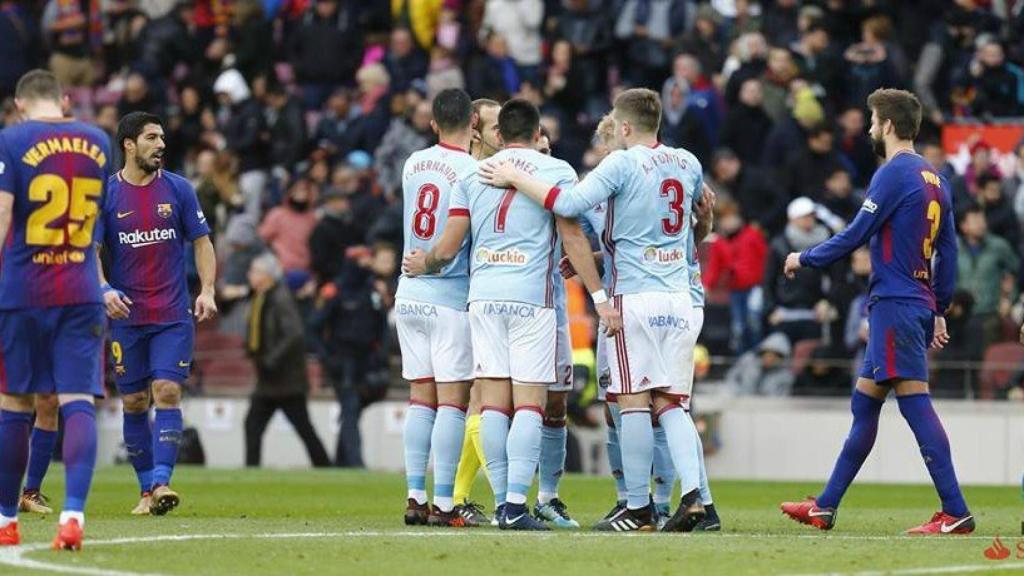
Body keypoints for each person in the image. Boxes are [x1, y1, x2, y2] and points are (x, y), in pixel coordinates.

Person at [480, 88, 707, 533]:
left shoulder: (620, 163)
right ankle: (699, 500)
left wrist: (514, 175)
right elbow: (695, 226)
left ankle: (638, 506)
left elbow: (565, 206)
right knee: (673, 405)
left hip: (635, 295)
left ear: (623, 128)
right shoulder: (688, 162)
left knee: (633, 403)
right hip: (681, 294)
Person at [404, 98, 618, 531]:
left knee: (493, 406)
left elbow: (449, 244)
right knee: (530, 406)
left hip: (481, 299)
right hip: (530, 299)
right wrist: (598, 296)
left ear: (498, 134)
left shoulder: (475, 173)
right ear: (539, 133)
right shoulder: (555, 171)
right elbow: (572, 236)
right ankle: (516, 504)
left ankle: (500, 497)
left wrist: (423, 263)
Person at [781, 89, 973, 535]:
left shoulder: (892, 173)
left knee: (914, 403)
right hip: (914, 302)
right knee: (865, 401)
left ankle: (955, 510)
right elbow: (949, 250)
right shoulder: (935, 179)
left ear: (887, 125)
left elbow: (855, 234)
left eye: (872, 119)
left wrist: (803, 258)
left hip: (895, 303)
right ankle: (825, 505)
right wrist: (939, 307)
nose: (870, 127)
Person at [0, 69, 112, 550]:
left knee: (14, 403)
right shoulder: (99, 141)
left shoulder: (11, 140)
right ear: (65, 101)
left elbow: (3, 215)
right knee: (77, 400)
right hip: (82, 287)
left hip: (24, 289)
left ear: (21, 105)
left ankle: (5, 520)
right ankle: (73, 517)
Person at [97, 112, 217, 516]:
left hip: (171, 314)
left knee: (166, 391)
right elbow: (92, 253)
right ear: (129, 145)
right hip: (128, 317)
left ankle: (163, 482)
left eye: (162, 137)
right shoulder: (107, 195)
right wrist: (103, 288)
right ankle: (146, 490)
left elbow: (201, 242)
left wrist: (208, 289)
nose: (160, 144)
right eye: (151, 137)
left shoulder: (179, 190)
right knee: (133, 401)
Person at [393, 89, 478, 527]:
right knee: (451, 403)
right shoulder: (473, 170)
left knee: (419, 398)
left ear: (432, 124)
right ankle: (444, 503)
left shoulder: (412, 163)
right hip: (447, 293)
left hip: (408, 294)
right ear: (473, 123)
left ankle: (414, 495)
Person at [449, 97, 502, 525]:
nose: (502, 131)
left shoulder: (489, 173)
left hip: (479, 294)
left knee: (476, 399)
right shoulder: (472, 176)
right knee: (480, 397)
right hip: (470, 295)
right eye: (494, 124)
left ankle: (456, 496)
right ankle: (508, 496)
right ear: (474, 130)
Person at [243, 253, 330, 469]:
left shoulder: (280, 298)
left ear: (267, 276)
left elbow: (294, 334)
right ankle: (252, 469)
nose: (250, 276)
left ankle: (326, 467)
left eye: (255, 271)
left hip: (285, 380)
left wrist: (271, 359)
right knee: (253, 425)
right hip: (270, 380)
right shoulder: (261, 297)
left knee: (303, 428)